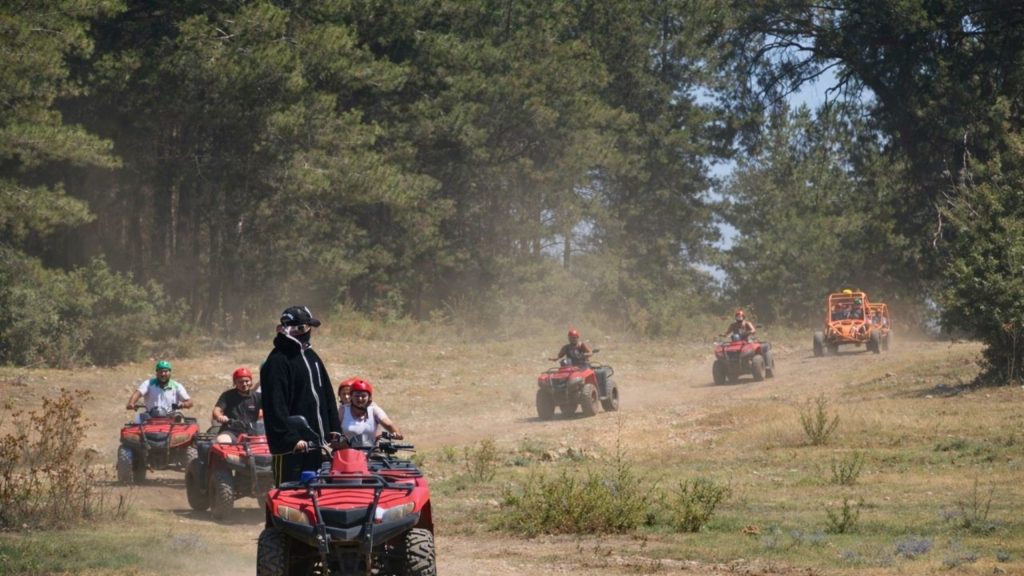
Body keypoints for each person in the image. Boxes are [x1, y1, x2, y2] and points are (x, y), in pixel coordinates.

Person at [260, 306, 342, 486]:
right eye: (305, 328)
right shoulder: (277, 361)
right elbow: (275, 406)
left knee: (318, 496)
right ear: (293, 329)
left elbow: (326, 394)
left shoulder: (312, 357)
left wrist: (334, 429)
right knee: (289, 497)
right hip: (292, 449)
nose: (309, 332)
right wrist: (291, 439)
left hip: (316, 445)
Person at [341, 379, 403, 447]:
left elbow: (388, 424)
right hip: (347, 453)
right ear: (351, 396)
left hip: (371, 453)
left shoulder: (374, 410)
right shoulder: (343, 410)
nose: (360, 399)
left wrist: (396, 433)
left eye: (363, 396)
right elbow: (333, 429)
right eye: (357, 396)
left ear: (369, 397)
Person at [125, 360, 193, 421]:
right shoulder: (148, 384)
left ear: (170, 373)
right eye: (160, 371)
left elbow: (189, 402)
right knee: (136, 423)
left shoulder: (177, 386)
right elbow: (138, 393)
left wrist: (183, 405)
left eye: (165, 371)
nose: (163, 374)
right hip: (150, 417)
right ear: (156, 373)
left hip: (171, 417)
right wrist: (131, 403)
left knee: (182, 428)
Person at [211, 367, 262, 443]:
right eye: (240, 382)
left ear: (251, 381)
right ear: (235, 383)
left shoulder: (258, 397)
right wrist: (220, 416)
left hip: (252, 432)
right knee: (222, 441)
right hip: (231, 431)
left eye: (247, 381)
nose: (244, 384)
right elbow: (216, 410)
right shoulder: (227, 395)